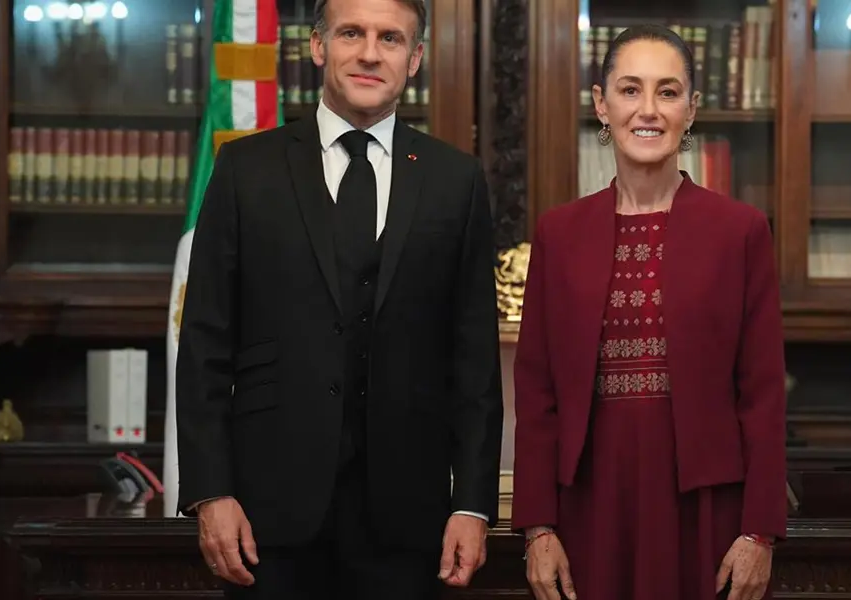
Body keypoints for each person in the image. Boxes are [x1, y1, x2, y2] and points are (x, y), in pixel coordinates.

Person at [174, 0, 504, 598]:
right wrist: (210, 491)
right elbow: (204, 345)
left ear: (415, 58)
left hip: (409, 521)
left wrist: (473, 504)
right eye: (352, 33)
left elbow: (475, 361)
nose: (370, 54)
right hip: (266, 517)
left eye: (391, 39)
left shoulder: (456, 181)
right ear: (318, 46)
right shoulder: (246, 170)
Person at [511, 25, 787, 600]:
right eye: (630, 89)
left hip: (705, 509)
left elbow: (762, 394)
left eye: (668, 92)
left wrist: (758, 533)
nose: (649, 110)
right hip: (588, 503)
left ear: (692, 109)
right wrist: (537, 527)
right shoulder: (559, 233)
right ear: (601, 103)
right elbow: (537, 393)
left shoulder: (739, 231)